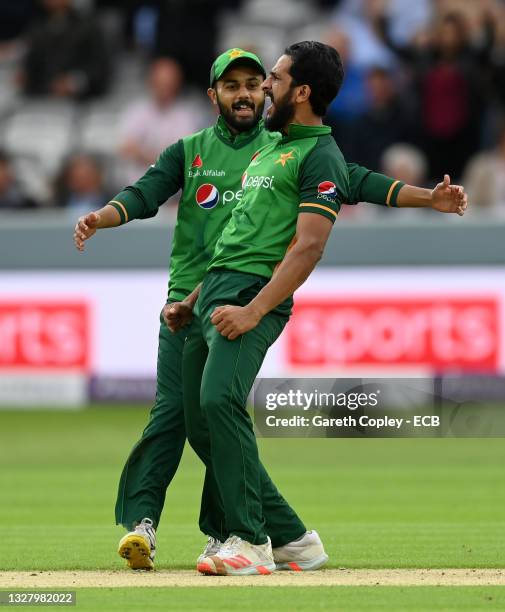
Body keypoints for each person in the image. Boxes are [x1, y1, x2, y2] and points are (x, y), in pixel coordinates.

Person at [73, 47, 467, 573]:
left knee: (217, 404)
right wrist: (190, 298)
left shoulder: (305, 151)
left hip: (249, 298)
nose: (260, 92)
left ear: (298, 91)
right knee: (197, 422)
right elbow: (213, 225)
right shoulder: (270, 147)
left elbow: (333, 211)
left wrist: (255, 309)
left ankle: (247, 538)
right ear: (214, 94)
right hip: (206, 295)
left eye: (270, 81)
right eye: (245, 84)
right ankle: (292, 539)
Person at [118, 57, 200, 186]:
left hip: (172, 193)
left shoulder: (186, 116)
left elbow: (181, 159)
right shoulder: (135, 111)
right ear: (150, 82)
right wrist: (160, 157)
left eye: (169, 84)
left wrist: (142, 154)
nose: (164, 88)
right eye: (160, 83)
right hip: (133, 190)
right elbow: (125, 149)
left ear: (177, 84)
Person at [20, 0, 110, 100]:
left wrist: (75, 81)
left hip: (80, 102)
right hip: (42, 100)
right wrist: (26, 77)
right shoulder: (37, 27)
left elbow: (100, 68)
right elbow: (32, 66)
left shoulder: (88, 26)